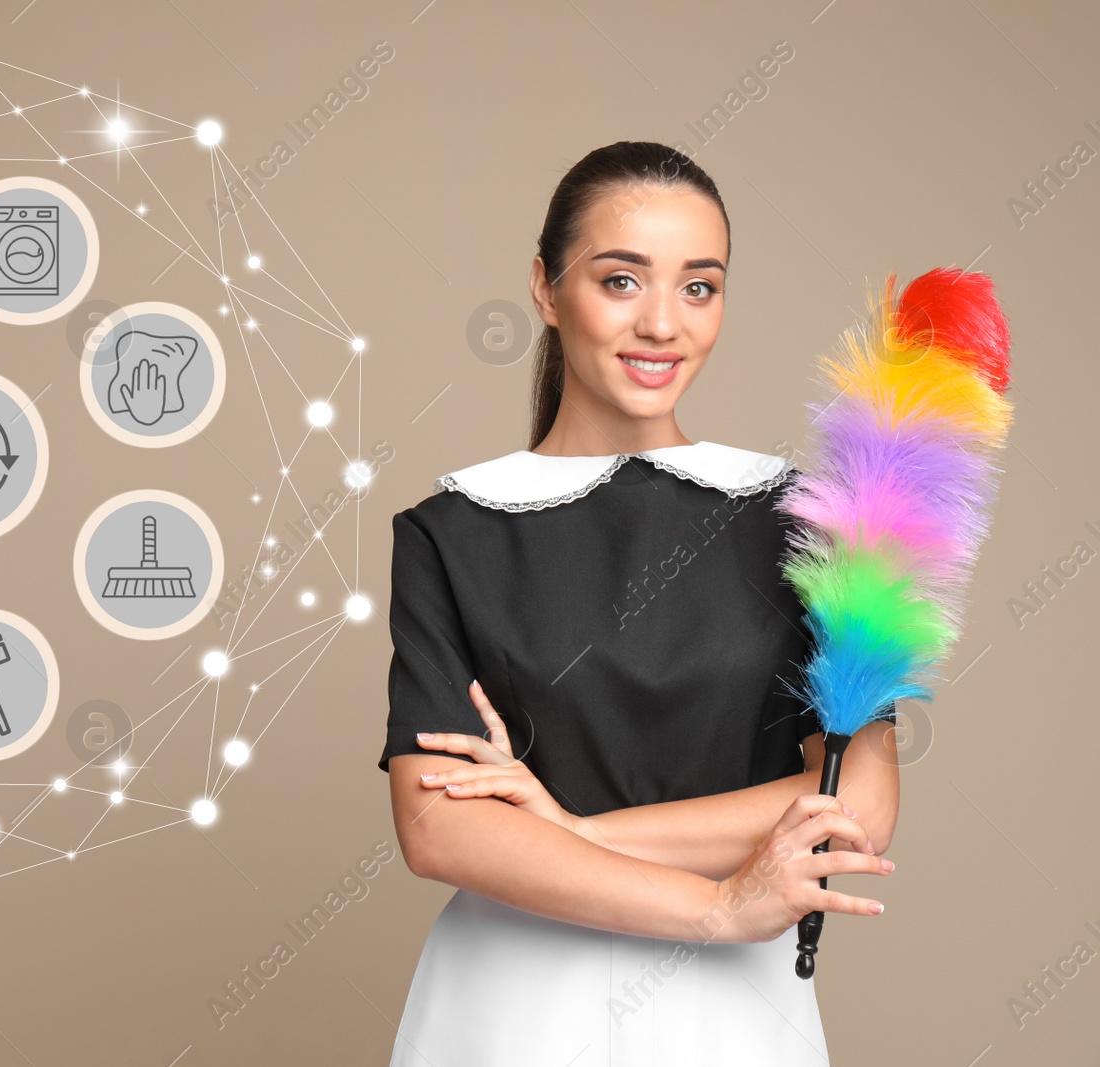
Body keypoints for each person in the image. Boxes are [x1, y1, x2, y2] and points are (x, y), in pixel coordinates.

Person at [379, 141, 901, 1065]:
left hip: (738, 1015)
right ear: (544, 288)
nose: (662, 324)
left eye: (699, 287)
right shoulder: (449, 531)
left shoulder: (815, 523)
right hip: (509, 1010)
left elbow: (855, 797)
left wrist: (571, 831)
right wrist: (721, 904)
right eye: (621, 280)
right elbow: (436, 825)